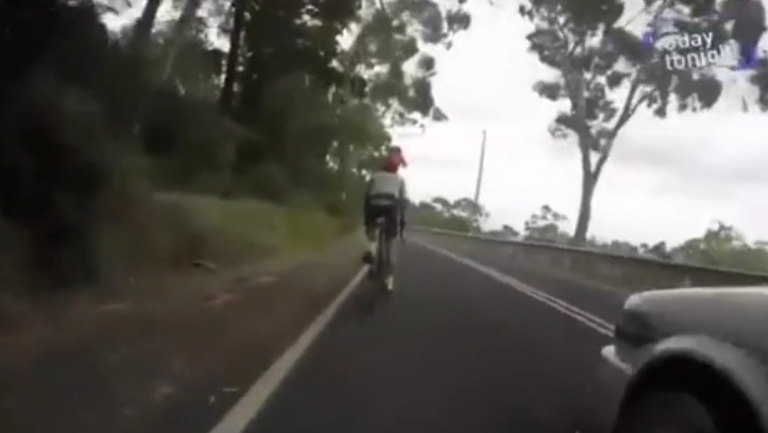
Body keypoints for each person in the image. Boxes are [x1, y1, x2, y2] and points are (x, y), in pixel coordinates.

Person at [361, 156, 408, 288]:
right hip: (390, 208)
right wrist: (402, 224)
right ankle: (389, 280)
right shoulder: (400, 180)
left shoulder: (374, 176)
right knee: (390, 243)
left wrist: (367, 218)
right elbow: (403, 202)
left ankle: (371, 249)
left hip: (373, 206)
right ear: (396, 169)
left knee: (371, 229)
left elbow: (366, 195)